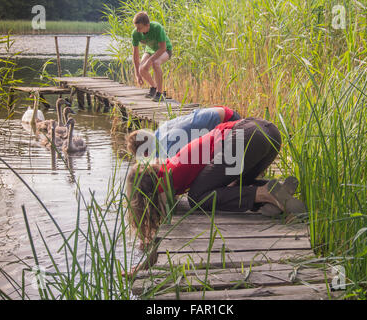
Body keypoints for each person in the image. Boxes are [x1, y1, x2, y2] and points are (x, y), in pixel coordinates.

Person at [125, 117, 306, 254]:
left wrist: (146, 246)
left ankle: (264, 193)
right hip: (269, 132)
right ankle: (276, 196)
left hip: (246, 136)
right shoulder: (172, 168)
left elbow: (166, 225)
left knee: (197, 197)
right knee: (233, 187)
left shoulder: (167, 180)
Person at [126, 105, 241, 160]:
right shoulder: (160, 130)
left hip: (230, 122)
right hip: (220, 111)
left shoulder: (165, 149)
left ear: (145, 154)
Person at [131, 11, 172, 102]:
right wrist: (137, 75)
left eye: (140, 28)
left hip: (165, 50)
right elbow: (135, 55)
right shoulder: (135, 33)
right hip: (150, 50)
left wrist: (149, 60)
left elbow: (162, 48)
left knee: (155, 63)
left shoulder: (157, 28)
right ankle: (154, 87)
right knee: (142, 69)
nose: (137, 30)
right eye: (136, 27)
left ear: (147, 25)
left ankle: (160, 94)